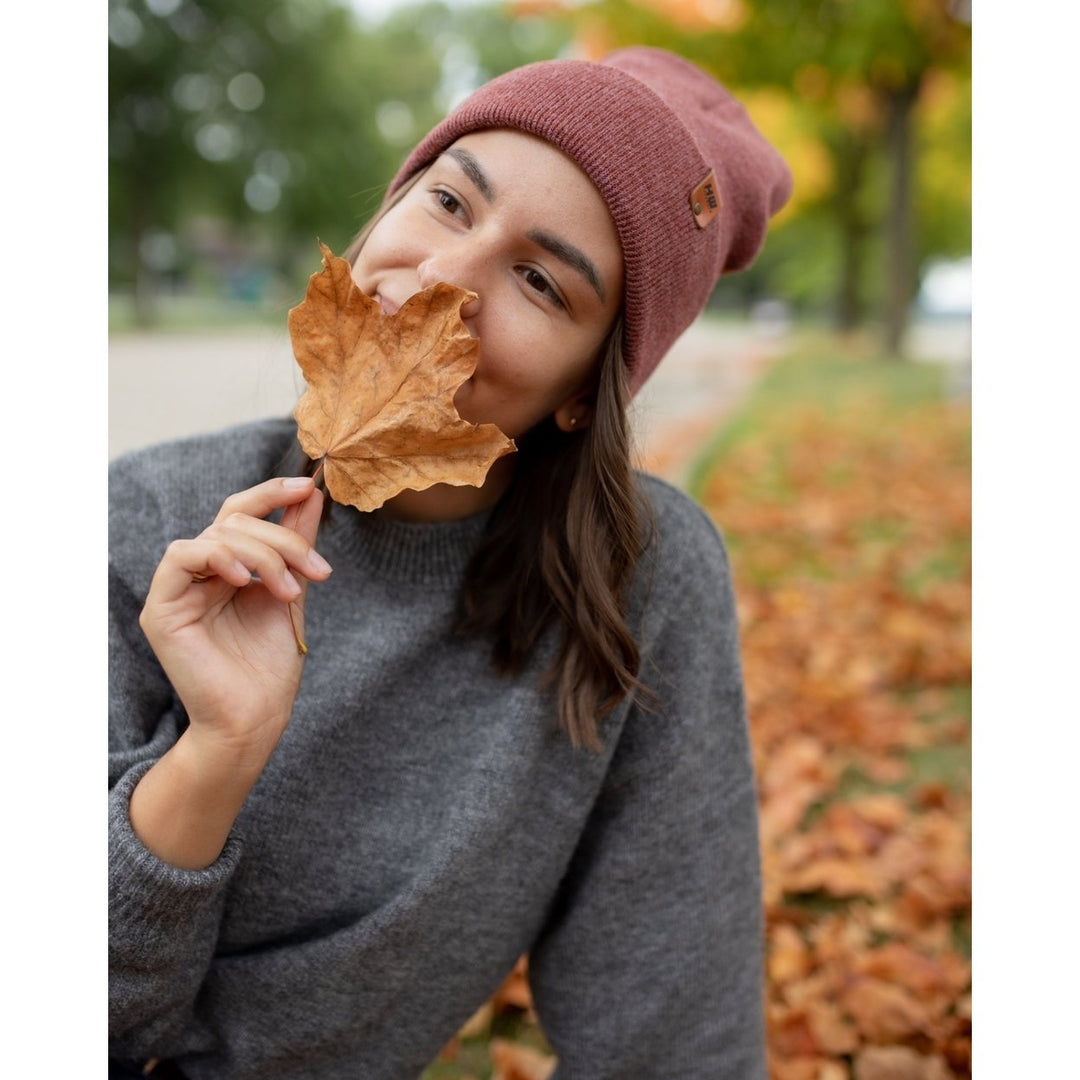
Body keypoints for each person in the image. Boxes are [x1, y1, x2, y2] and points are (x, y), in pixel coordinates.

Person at [109, 46, 792, 1080]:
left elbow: (670, 1033)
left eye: (538, 279)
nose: (440, 282)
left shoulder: (640, 585)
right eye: (447, 202)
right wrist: (213, 754)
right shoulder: (139, 516)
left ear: (583, 391)